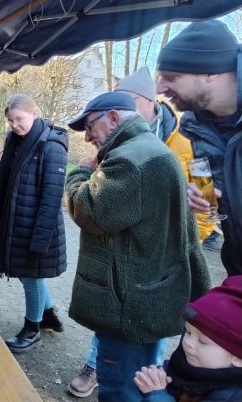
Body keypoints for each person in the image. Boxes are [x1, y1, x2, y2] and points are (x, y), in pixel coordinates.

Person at [67, 66, 220, 398]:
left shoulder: (140, 155)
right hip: (149, 288)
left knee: (122, 385)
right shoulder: (143, 146)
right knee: (140, 374)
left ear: (114, 117)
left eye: (89, 126)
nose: (87, 137)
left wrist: (79, 174)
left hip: (135, 297)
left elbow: (90, 211)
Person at [156, 19, 241, 276]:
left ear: (210, 72)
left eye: (171, 77)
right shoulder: (192, 126)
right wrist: (201, 198)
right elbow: (210, 194)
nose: (159, 88)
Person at [0, 94, 68, 353]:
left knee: (31, 278)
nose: (15, 125)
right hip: (17, 224)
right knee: (30, 276)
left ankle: (32, 330)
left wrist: (40, 238)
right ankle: (49, 315)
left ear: (35, 112)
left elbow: (52, 198)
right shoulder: (17, 141)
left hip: (36, 227)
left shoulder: (51, 146)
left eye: (19, 119)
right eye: (10, 121)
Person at [134, 275, 242, 401]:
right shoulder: (181, 363)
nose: (188, 342)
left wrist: (156, 394)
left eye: (203, 341)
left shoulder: (233, 396)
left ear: (238, 358)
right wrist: (153, 380)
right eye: (187, 331)